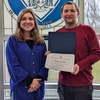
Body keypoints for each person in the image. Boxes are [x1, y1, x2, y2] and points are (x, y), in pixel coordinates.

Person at [56, 1, 100, 100]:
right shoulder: (58, 33)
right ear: (62, 15)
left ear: (78, 13)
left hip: (83, 84)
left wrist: (79, 66)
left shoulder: (88, 30)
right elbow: (57, 56)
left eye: (72, 10)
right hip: (63, 83)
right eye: (66, 11)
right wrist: (51, 56)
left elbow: (97, 53)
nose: (69, 13)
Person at [6, 8, 48, 100]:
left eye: (30, 19)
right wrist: (30, 81)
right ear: (19, 22)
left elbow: (45, 63)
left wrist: (38, 81)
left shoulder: (40, 41)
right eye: (24, 19)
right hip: (21, 88)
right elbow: (13, 65)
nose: (27, 21)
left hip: (38, 87)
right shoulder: (12, 41)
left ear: (35, 22)